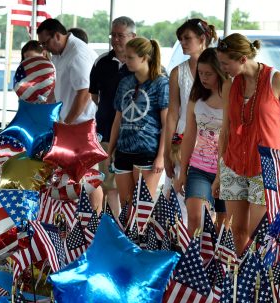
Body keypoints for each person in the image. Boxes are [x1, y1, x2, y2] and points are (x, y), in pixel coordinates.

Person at [213, 33, 280, 253]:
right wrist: (218, 173)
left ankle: (258, 281)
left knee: (259, 233)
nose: (223, 68)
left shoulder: (277, 79)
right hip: (233, 164)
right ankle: (240, 280)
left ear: (242, 59)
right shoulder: (229, 85)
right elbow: (225, 129)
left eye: (225, 63)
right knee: (236, 231)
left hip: (266, 166)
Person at [108, 38, 169, 203]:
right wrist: (110, 151)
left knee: (141, 208)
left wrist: (161, 156)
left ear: (144, 57)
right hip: (123, 150)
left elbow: (167, 125)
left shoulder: (161, 83)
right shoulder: (125, 82)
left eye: (130, 57)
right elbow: (117, 120)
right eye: (126, 57)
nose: (126, 60)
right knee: (126, 207)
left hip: (148, 152)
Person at [174, 48, 227, 236]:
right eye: (200, 73)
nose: (203, 78)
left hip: (228, 170)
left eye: (208, 74)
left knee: (224, 226)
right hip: (200, 168)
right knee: (196, 216)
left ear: (220, 72)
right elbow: (189, 135)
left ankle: (218, 263)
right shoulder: (196, 97)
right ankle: (194, 260)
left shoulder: (231, 98)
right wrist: (182, 171)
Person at [89, 16, 137, 216]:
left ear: (133, 36)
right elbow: (94, 95)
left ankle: (130, 229)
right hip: (106, 131)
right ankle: (115, 226)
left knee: (131, 188)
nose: (116, 39)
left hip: (134, 136)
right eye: (113, 35)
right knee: (108, 185)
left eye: (120, 36)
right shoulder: (102, 62)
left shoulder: (140, 64)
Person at [164, 19, 218, 187]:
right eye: (180, 39)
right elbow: (172, 114)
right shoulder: (177, 72)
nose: (182, 43)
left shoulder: (221, 70)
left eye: (187, 38)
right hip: (183, 135)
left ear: (202, 39)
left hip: (213, 138)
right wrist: (167, 153)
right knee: (179, 192)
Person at [37, 19, 97, 125]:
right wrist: (47, 103)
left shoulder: (77, 54)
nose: (44, 48)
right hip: (68, 119)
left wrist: (66, 124)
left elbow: (85, 92)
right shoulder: (57, 53)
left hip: (83, 123)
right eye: (41, 45)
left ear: (57, 36)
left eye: (45, 43)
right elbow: (59, 83)